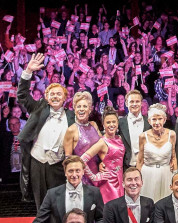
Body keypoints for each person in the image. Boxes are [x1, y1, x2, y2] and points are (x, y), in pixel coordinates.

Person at [21, 156, 105, 223]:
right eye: (70, 171)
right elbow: (40, 221)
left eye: (77, 170)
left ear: (83, 172)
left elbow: (102, 219)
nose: (74, 174)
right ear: (65, 172)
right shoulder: (52, 194)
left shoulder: (94, 192)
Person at [18, 52, 74, 208]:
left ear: (65, 98)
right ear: (46, 97)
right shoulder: (38, 108)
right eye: (52, 94)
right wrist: (28, 71)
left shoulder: (72, 117)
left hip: (59, 164)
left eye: (59, 94)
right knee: (41, 205)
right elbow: (22, 95)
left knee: (59, 205)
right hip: (38, 162)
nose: (55, 96)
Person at [80, 109, 127, 202]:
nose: (111, 125)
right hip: (108, 183)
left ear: (117, 123)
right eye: (108, 122)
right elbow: (81, 160)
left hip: (120, 180)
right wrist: (94, 177)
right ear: (103, 124)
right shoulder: (102, 142)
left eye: (114, 122)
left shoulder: (119, 138)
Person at [135, 104, 176, 201]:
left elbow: (173, 157)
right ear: (149, 121)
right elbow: (140, 160)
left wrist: (175, 176)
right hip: (148, 174)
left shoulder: (172, 134)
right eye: (154, 119)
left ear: (164, 119)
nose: (157, 122)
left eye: (160, 119)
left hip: (166, 173)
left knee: (165, 203)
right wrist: (137, 179)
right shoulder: (143, 136)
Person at [62, 92, 101, 178]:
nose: (81, 109)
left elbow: (103, 147)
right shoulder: (71, 130)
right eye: (78, 106)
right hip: (82, 177)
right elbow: (68, 160)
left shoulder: (94, 125)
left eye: (85, 106)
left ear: (90, 110)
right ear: (75, 109)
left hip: (98, 174)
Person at [118, 89, 149, 168]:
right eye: (131, 102)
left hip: (146, 166)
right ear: (126, 103)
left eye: (137, 101)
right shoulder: (120, 123)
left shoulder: (149, 122)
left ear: (141, 103)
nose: (134, 104)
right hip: (126, 167)